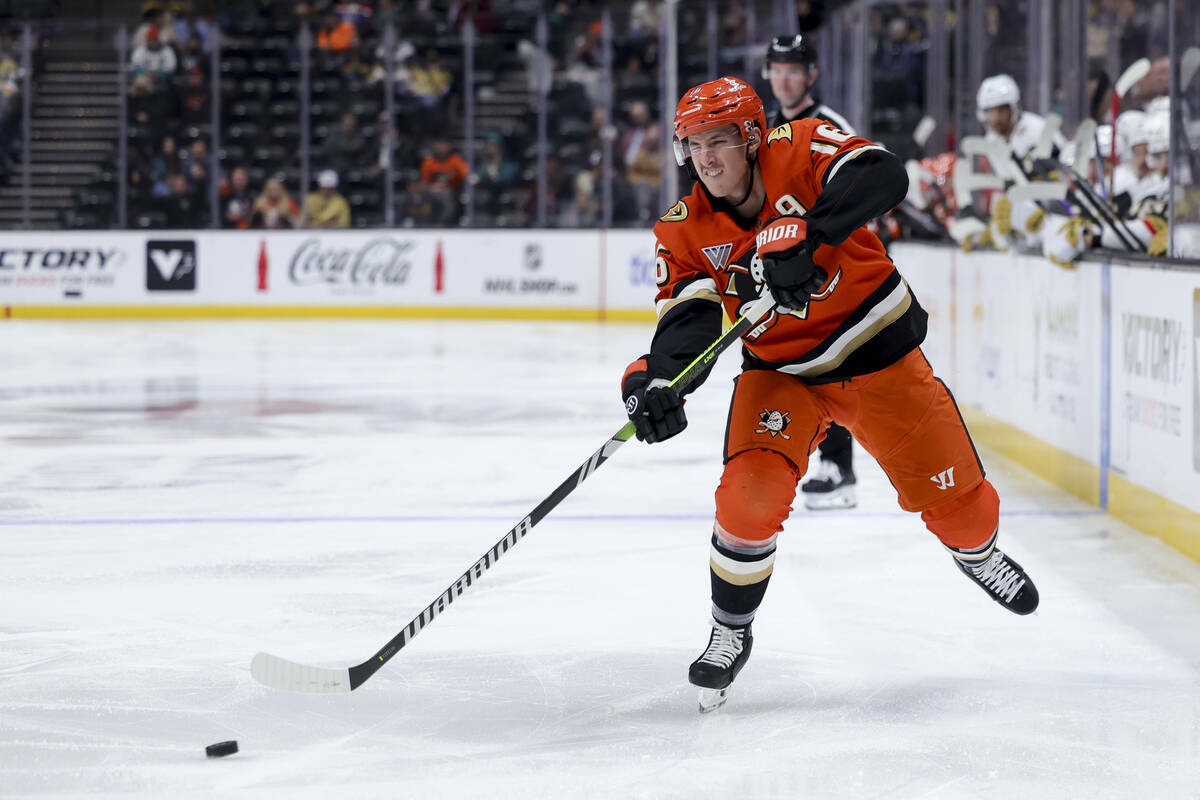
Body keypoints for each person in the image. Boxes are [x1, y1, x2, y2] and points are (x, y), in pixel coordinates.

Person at [621, 77, 1039, 712]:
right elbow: (690, 321)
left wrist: (809, 237)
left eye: (719, 141)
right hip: (782, 376)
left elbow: (882, 176)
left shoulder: (803, 145)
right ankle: (730, 631)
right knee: (746, 496)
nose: (706, 158)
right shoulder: (682, 229)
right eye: (693, 144)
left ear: (753, 138)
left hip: (877, 357)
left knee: (965, 512)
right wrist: (661, 382)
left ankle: (976, 553)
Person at [763, 34, 857, 510]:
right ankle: (824, 458)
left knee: (833, 361)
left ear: (811, 76)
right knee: (803, 362)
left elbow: (861, 186)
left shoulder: (829, 124)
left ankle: (839, 468)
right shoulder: (766, 127)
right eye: (776, 69)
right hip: (792, 267)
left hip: (834, 265)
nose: (783, 79)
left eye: (793, 70)